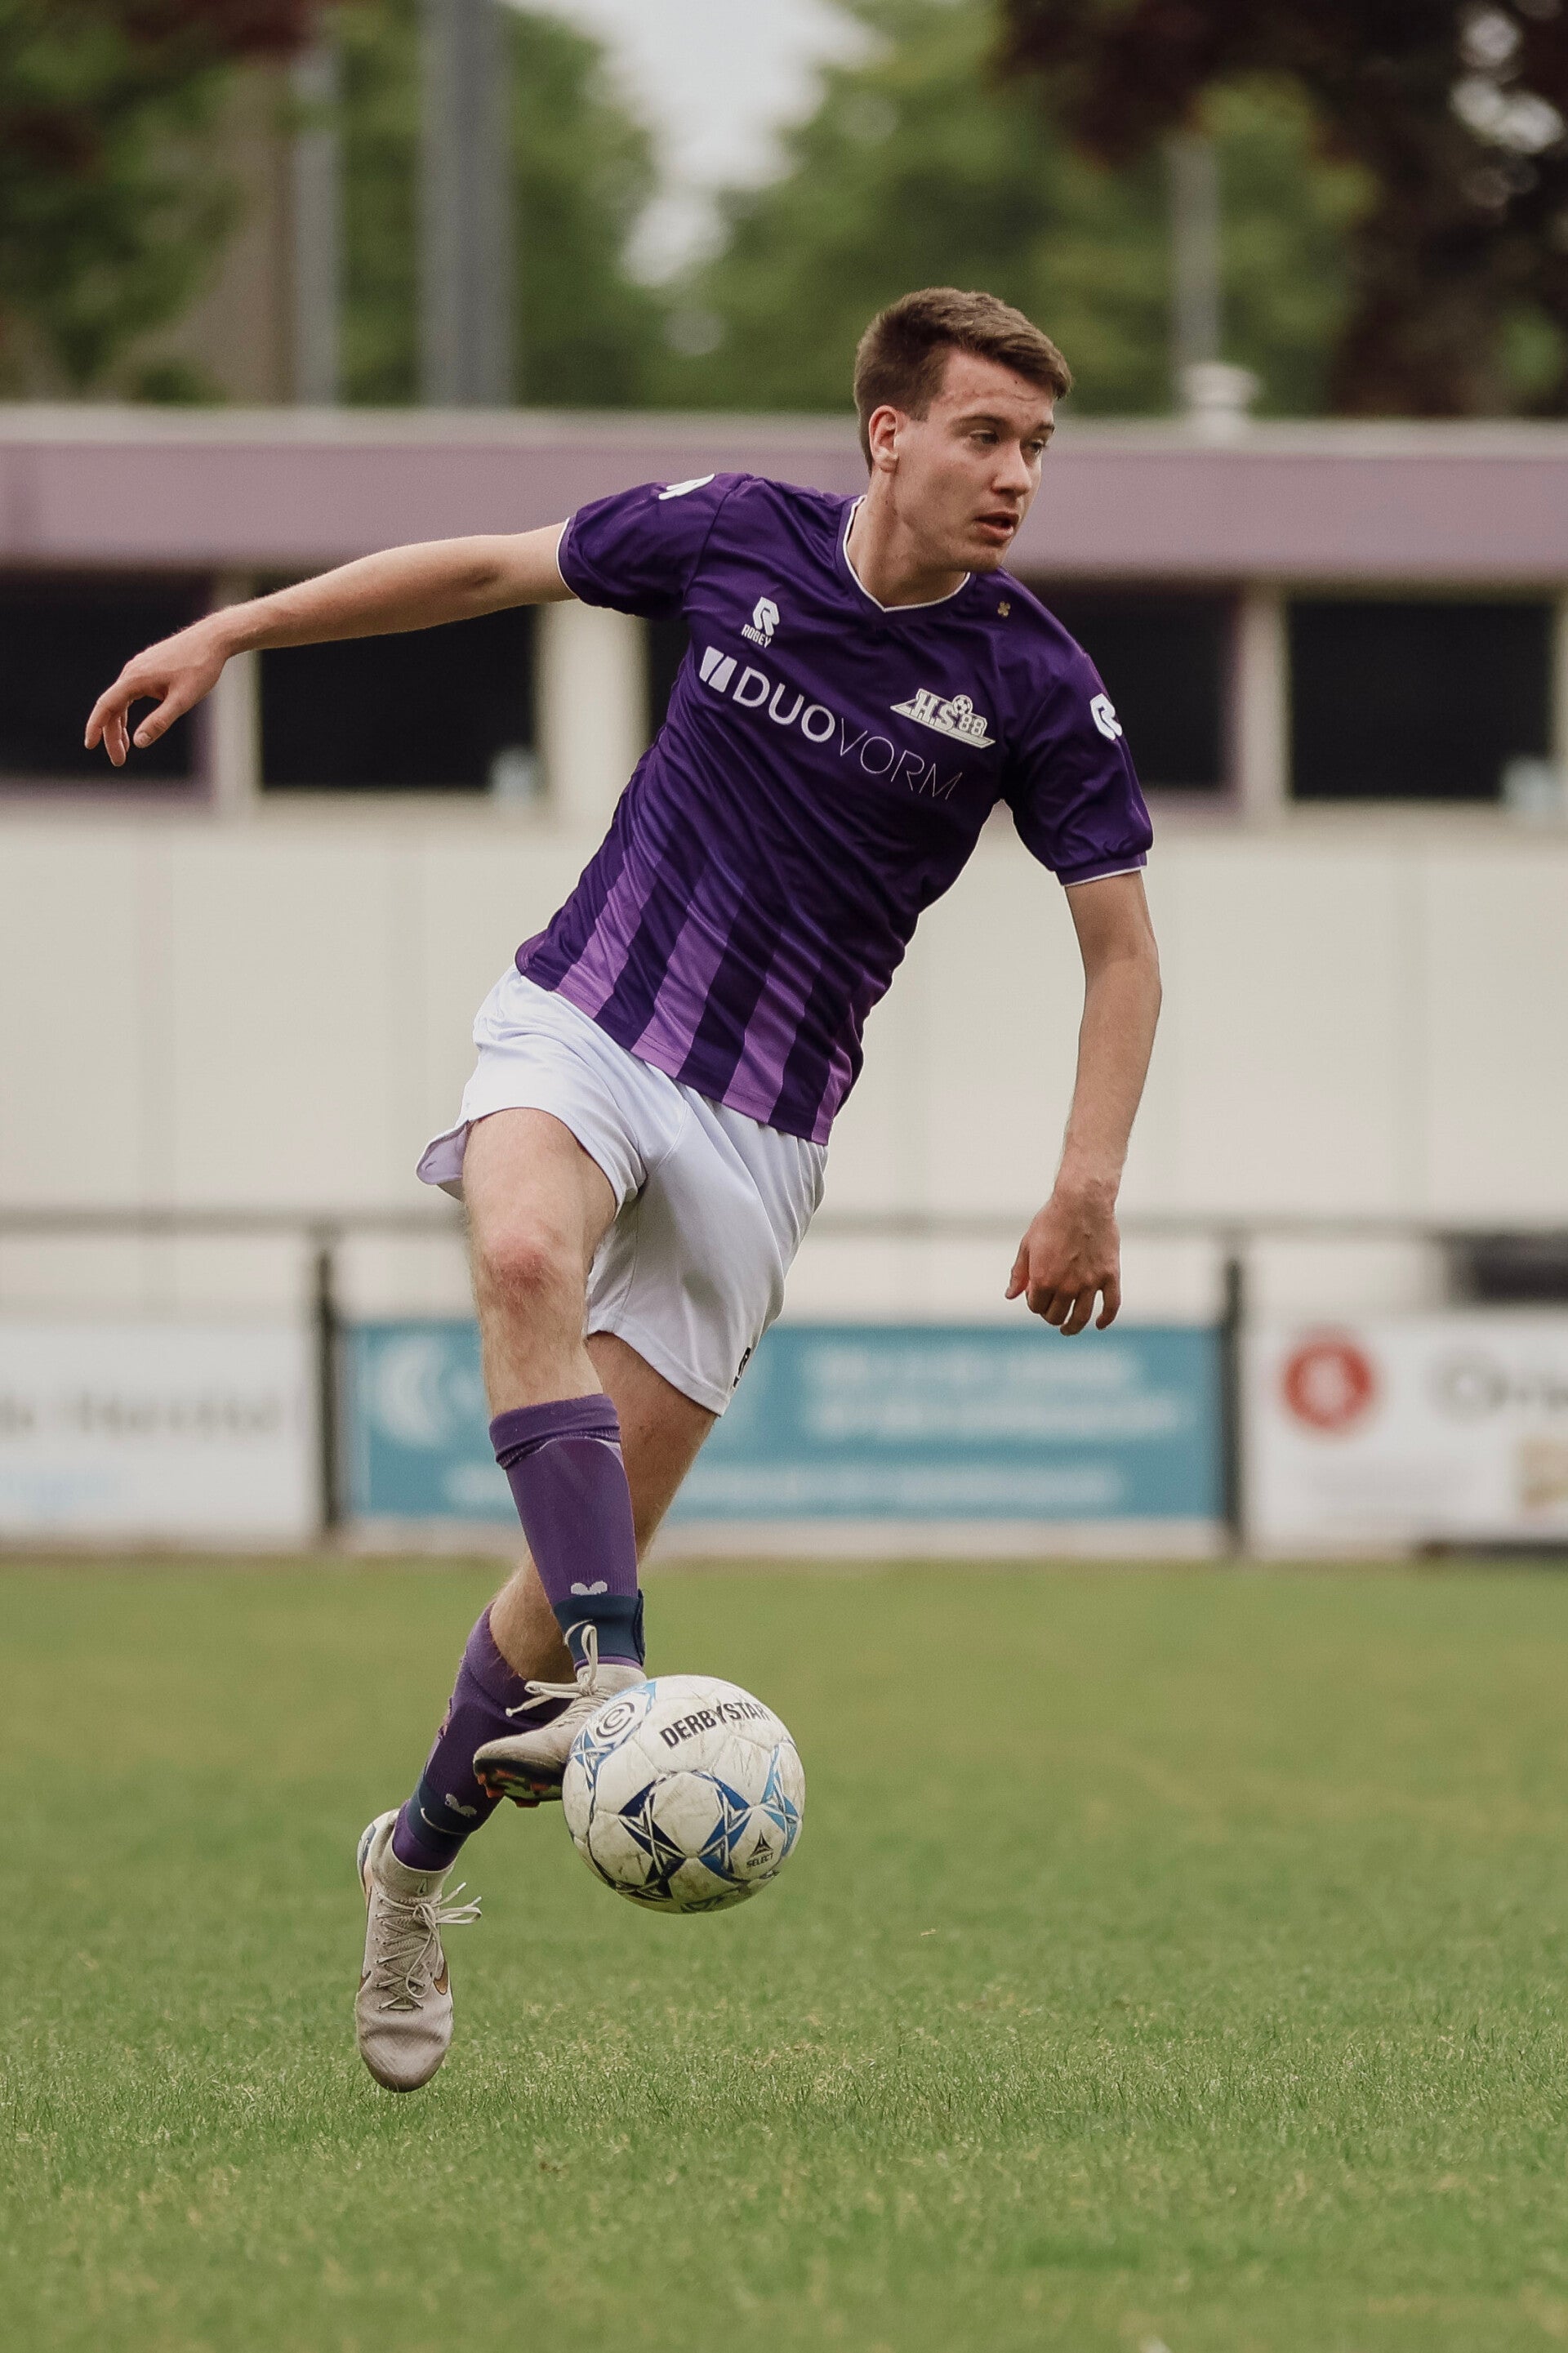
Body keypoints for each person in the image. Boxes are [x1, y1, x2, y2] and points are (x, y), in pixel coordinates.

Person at [87, 287, 1162, 2093]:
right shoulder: (733, 533)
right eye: (986, 434)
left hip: (766, 1129)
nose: (1016, 476)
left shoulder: (1033, 680)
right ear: (890, 430)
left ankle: (409, 1863)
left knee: (555, 1574)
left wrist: (1087, 1184)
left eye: (1037, 447)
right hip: (584, 1017)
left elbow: (1122, 950)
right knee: (521, 1249)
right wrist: (241, 624)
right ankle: (617, 1676)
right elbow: (483, 569)